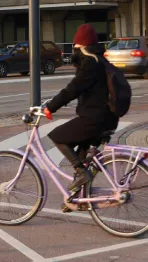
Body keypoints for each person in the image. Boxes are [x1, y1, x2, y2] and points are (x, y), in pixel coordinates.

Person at [43, 24, 119, 194]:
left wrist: (50, 107)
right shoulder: (100, 60)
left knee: (58, 136)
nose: (74, 49)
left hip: (95, 118)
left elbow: (73, 89)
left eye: (75, 45)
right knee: (82, 156)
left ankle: (82, 172)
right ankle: (80, 198)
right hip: (107, 117)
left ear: (81, 45)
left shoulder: (91, 63)